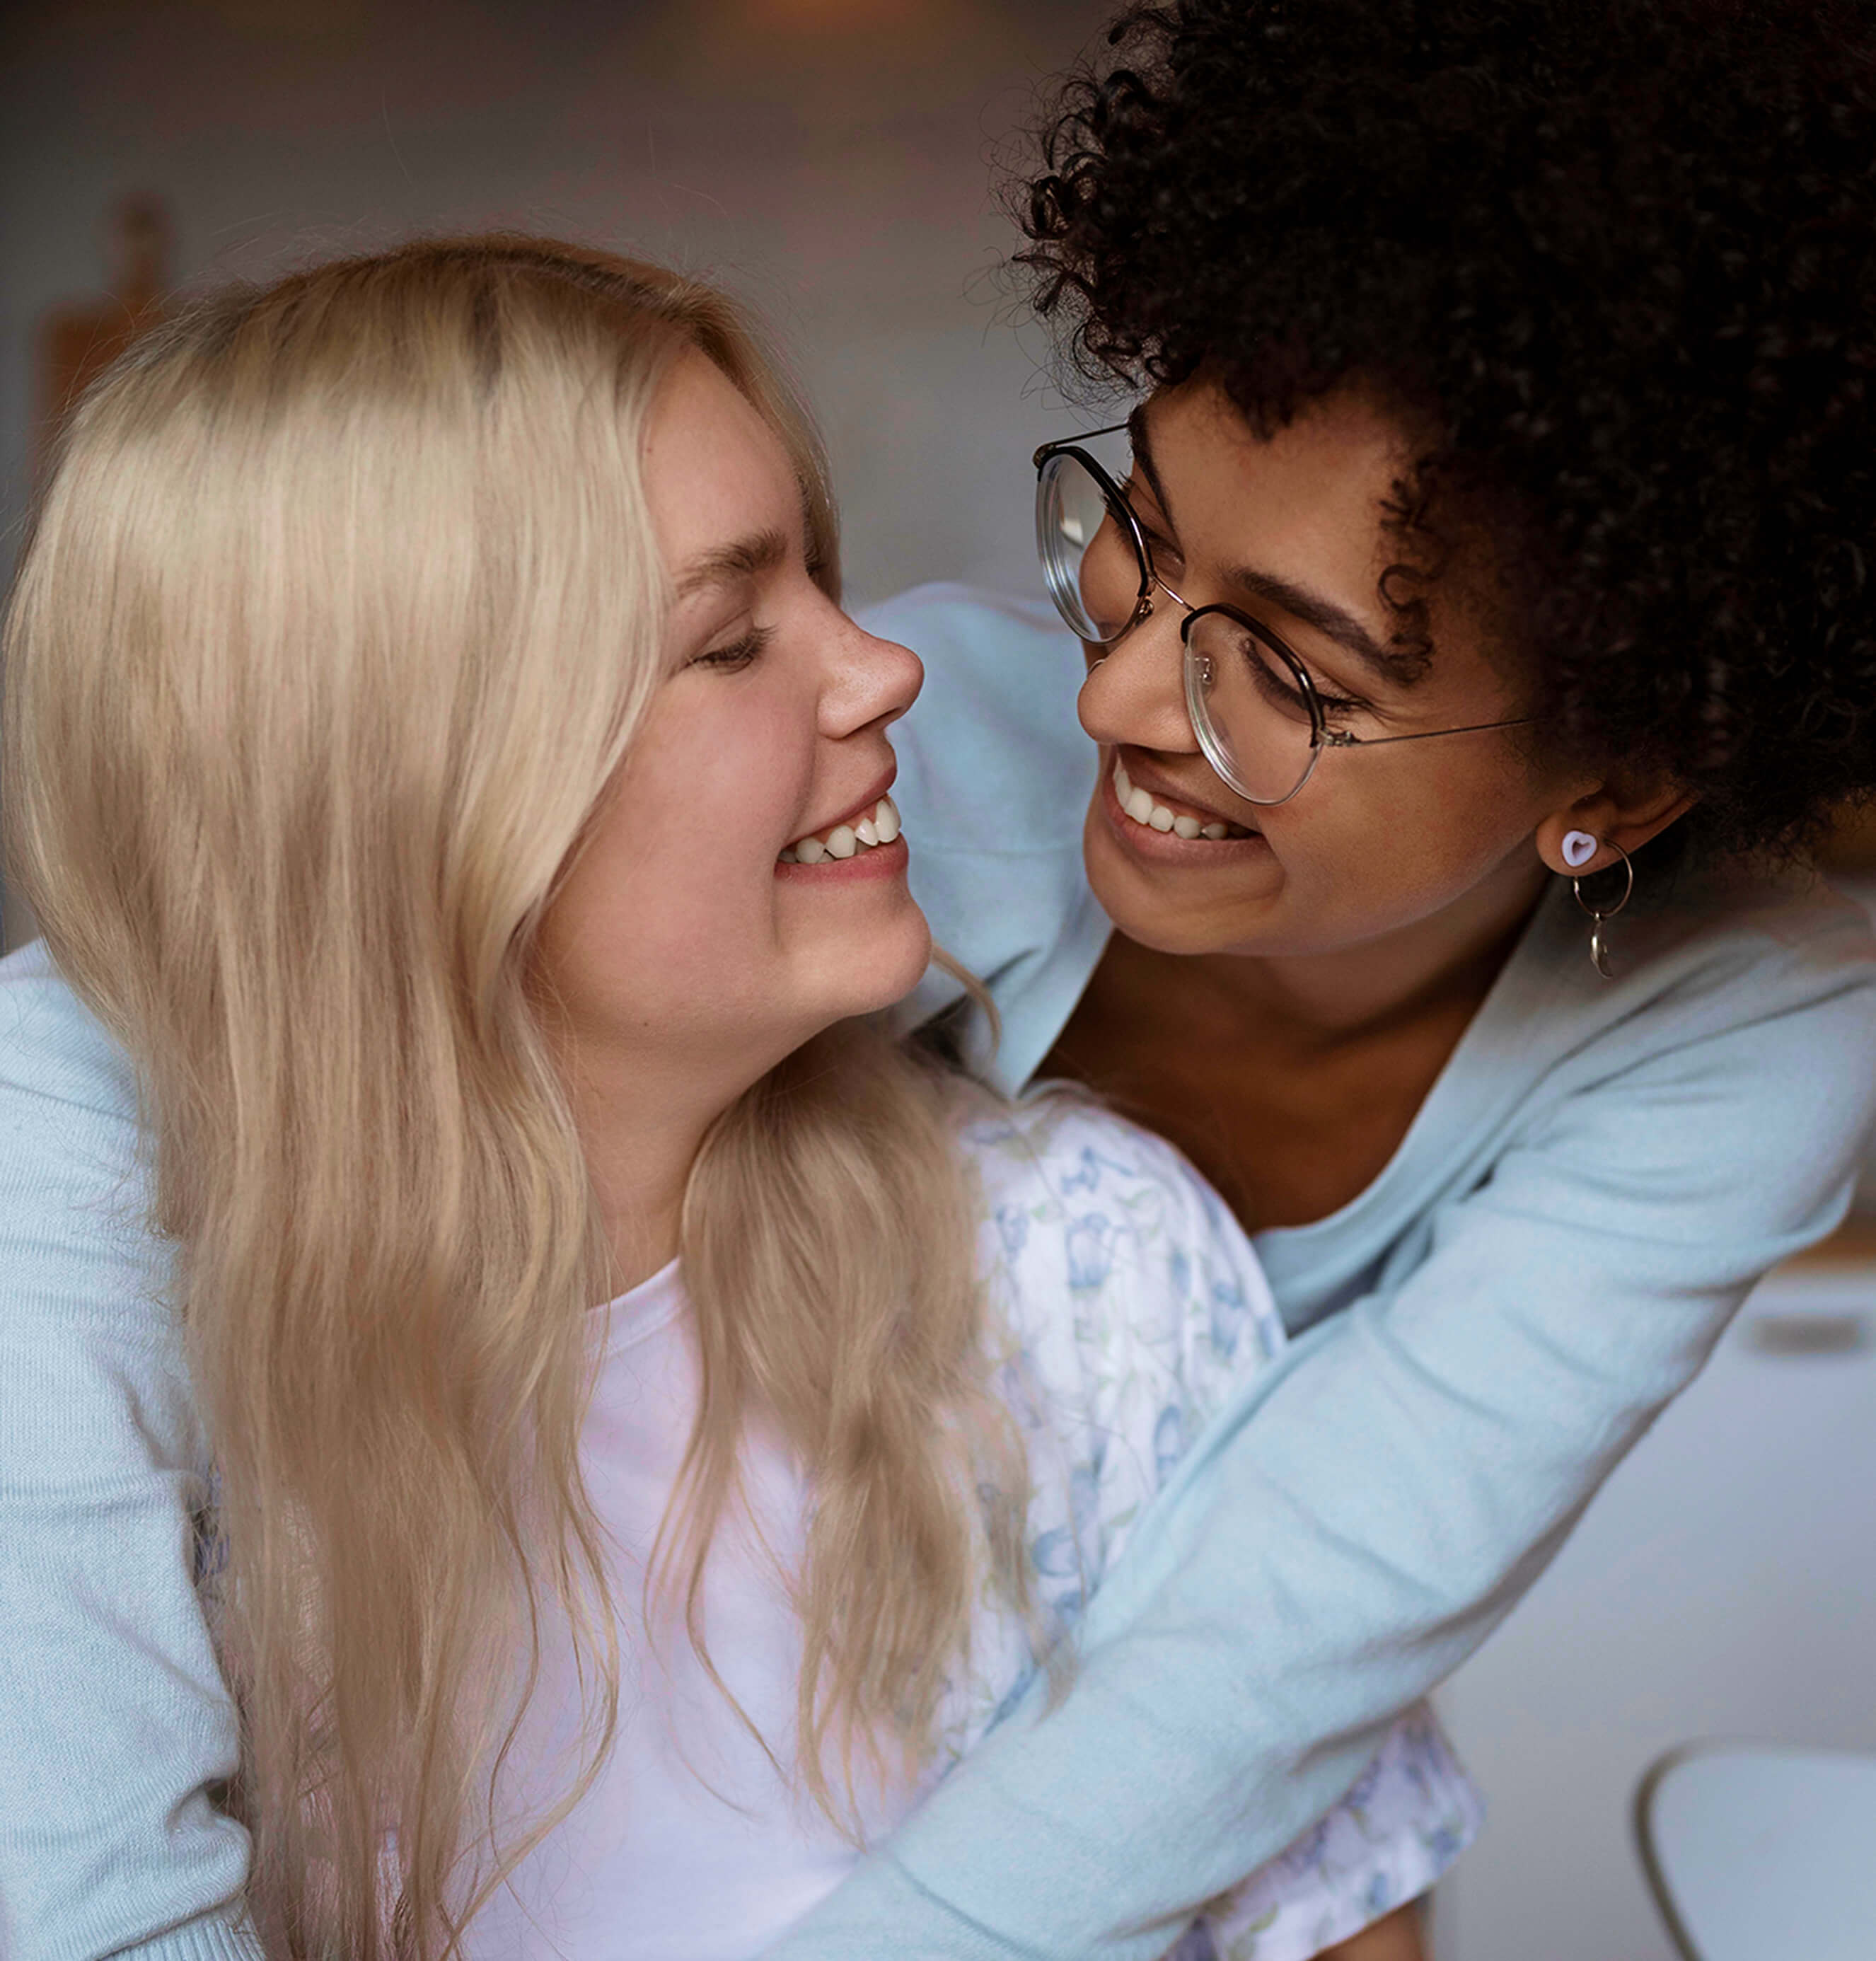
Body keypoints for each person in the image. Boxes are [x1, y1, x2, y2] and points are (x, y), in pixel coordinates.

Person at [0, 238, 1470, 1961]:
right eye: (728, 641)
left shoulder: (1088, 1278)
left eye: (824, 584)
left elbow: (1342, 1921)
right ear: (407, 798)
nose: (881, 670)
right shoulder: (125, 1381)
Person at [754, 0, 1876, 1955]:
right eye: (1144, 539)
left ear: (1606, 784)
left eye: (1288, 671)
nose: (1112, 694)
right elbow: (117, 1034)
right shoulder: (891, 745)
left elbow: (1277, 1649)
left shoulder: (1756, 1022)